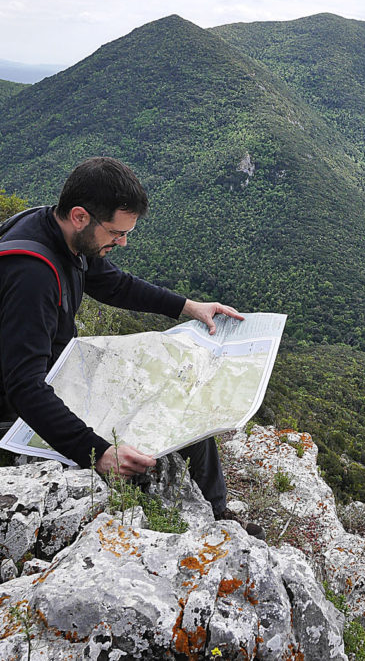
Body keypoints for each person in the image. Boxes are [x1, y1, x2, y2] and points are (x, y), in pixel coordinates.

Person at [0, 156, 243, 526]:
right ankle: (211, 520)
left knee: (179, 391)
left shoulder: (61, 232)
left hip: (55, 376)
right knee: (159, 417)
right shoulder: (31, 276)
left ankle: (218, 514)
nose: (124, 242)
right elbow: (23, 388)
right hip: (16, 416)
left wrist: (190, 307)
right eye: (116, 233)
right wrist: (96, 451)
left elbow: (114, 284)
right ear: (81, 216)